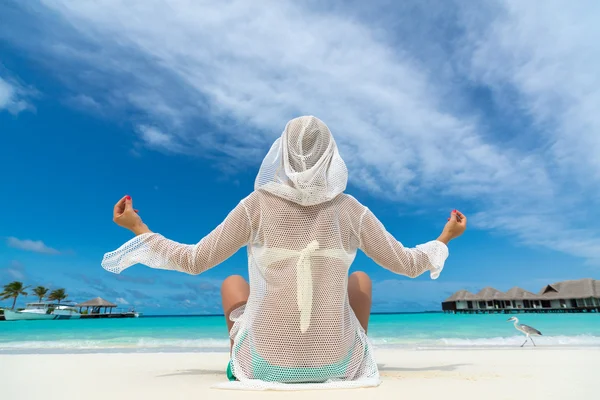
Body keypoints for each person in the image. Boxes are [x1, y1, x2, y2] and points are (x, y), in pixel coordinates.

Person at [102, 116, 467, 390]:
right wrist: (445, 237)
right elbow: (408, 264)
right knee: (360, 280)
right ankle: (339, 354)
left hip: (262, 368)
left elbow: (194, 260)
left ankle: (255, 355)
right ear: (331, 156)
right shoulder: (352, 210)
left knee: (231, 282)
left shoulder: (256, 205)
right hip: (340, 367)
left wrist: (139, 228)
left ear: (282, 153)